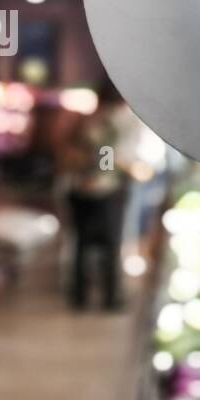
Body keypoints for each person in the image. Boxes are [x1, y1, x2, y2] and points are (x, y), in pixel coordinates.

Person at [61, 77, 139, 310]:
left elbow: (69, 151)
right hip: (107, 191)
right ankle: (111, 297)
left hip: (80, 189)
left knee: (82, 245)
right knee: (111, 245)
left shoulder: (85, 121)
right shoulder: (121, 123)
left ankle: (79, 297)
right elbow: (115, 160)